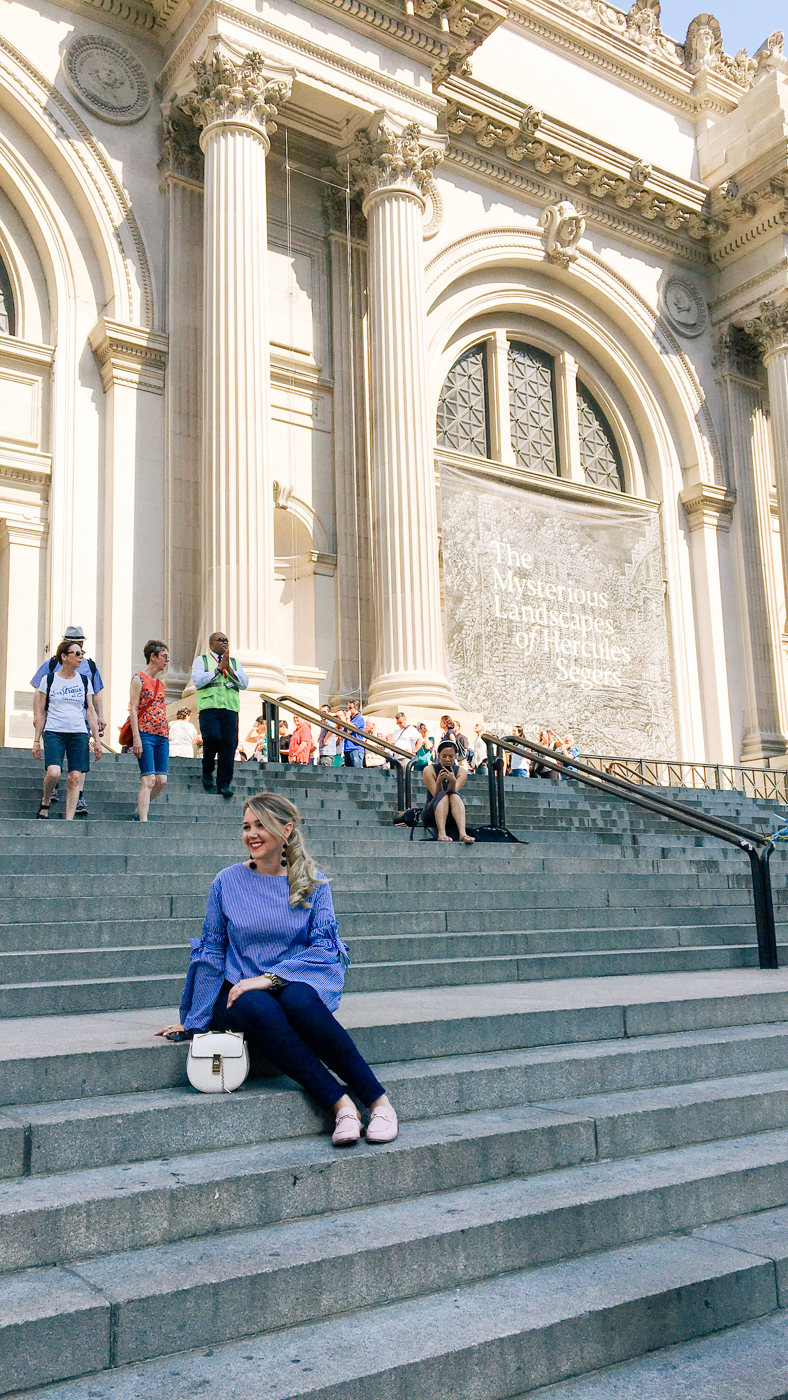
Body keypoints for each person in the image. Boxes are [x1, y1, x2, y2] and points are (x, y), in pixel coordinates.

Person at [155, 792, 398, 1147]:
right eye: (246, 826)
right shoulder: (226, 882)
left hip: (290, 981)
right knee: (257, 1004)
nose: (251, 834)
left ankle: (379, 1103)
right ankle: (342, 1105)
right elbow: (211, 953)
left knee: (297, 1000)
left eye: (260, 826)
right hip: (238, 990)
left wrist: (268, 978)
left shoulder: (313, 881)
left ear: (285, 830)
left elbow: (324, 949)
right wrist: (195, 1019)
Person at [31, 626, 105, 815]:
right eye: (75, 647)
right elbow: (39, 698)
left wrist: (99, 723)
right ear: (65, 650)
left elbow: (95, 697)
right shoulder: (50, 668)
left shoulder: (88, 669)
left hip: (79, 727)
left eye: (81, 645)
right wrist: (36, 733)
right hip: (55, 727)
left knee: (75, 775)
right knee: (54, 771)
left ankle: (73, 811)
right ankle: (48, 796)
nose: (80, 653)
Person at [191, 632, 249, 798]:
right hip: (209, 708)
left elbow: (244, 683)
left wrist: (229, 670)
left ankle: (224, 783)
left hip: (230, 709)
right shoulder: (201, 660)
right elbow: (198, 681)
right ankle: (207, 769)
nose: (225, 643)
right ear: (211, 643)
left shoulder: (235, 662)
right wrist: (218, 669)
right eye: (221, 640)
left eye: (226, 640)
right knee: (213, 738)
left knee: (229, 746)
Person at [129, 641, 170, 823]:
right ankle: (143, 820)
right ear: (153, 657)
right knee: (148, 779)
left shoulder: (161, 683)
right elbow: (133, 708)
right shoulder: (139, 679)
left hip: (161, 734)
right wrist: (136, 737)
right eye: (164, 656)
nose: (166, 661)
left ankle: (140, 809)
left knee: (161, 780)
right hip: (145, 733)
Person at [422, 739, 475, 844]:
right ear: (439, 756)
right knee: (443, 795)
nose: (447, 759)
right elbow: (436, 795)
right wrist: (438, 782)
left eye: (451, 756)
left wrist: (453, 781)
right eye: (444, 756)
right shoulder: (429, 770)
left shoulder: (461, 772)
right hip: (433, 811)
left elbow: (453, 792)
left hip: (452, 814)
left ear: (455, 756)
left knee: (454, 796)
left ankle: (462, 833)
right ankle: (442, 833)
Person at [342, 700, 366, 767]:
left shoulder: (360, 719)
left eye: (350, 708)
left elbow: (350, 730)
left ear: (355, 708)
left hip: (356, 749)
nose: (348, 710)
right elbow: (345, 732)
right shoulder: (350, 720)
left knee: (356, 772)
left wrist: (347, 718)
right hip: (347, 748)